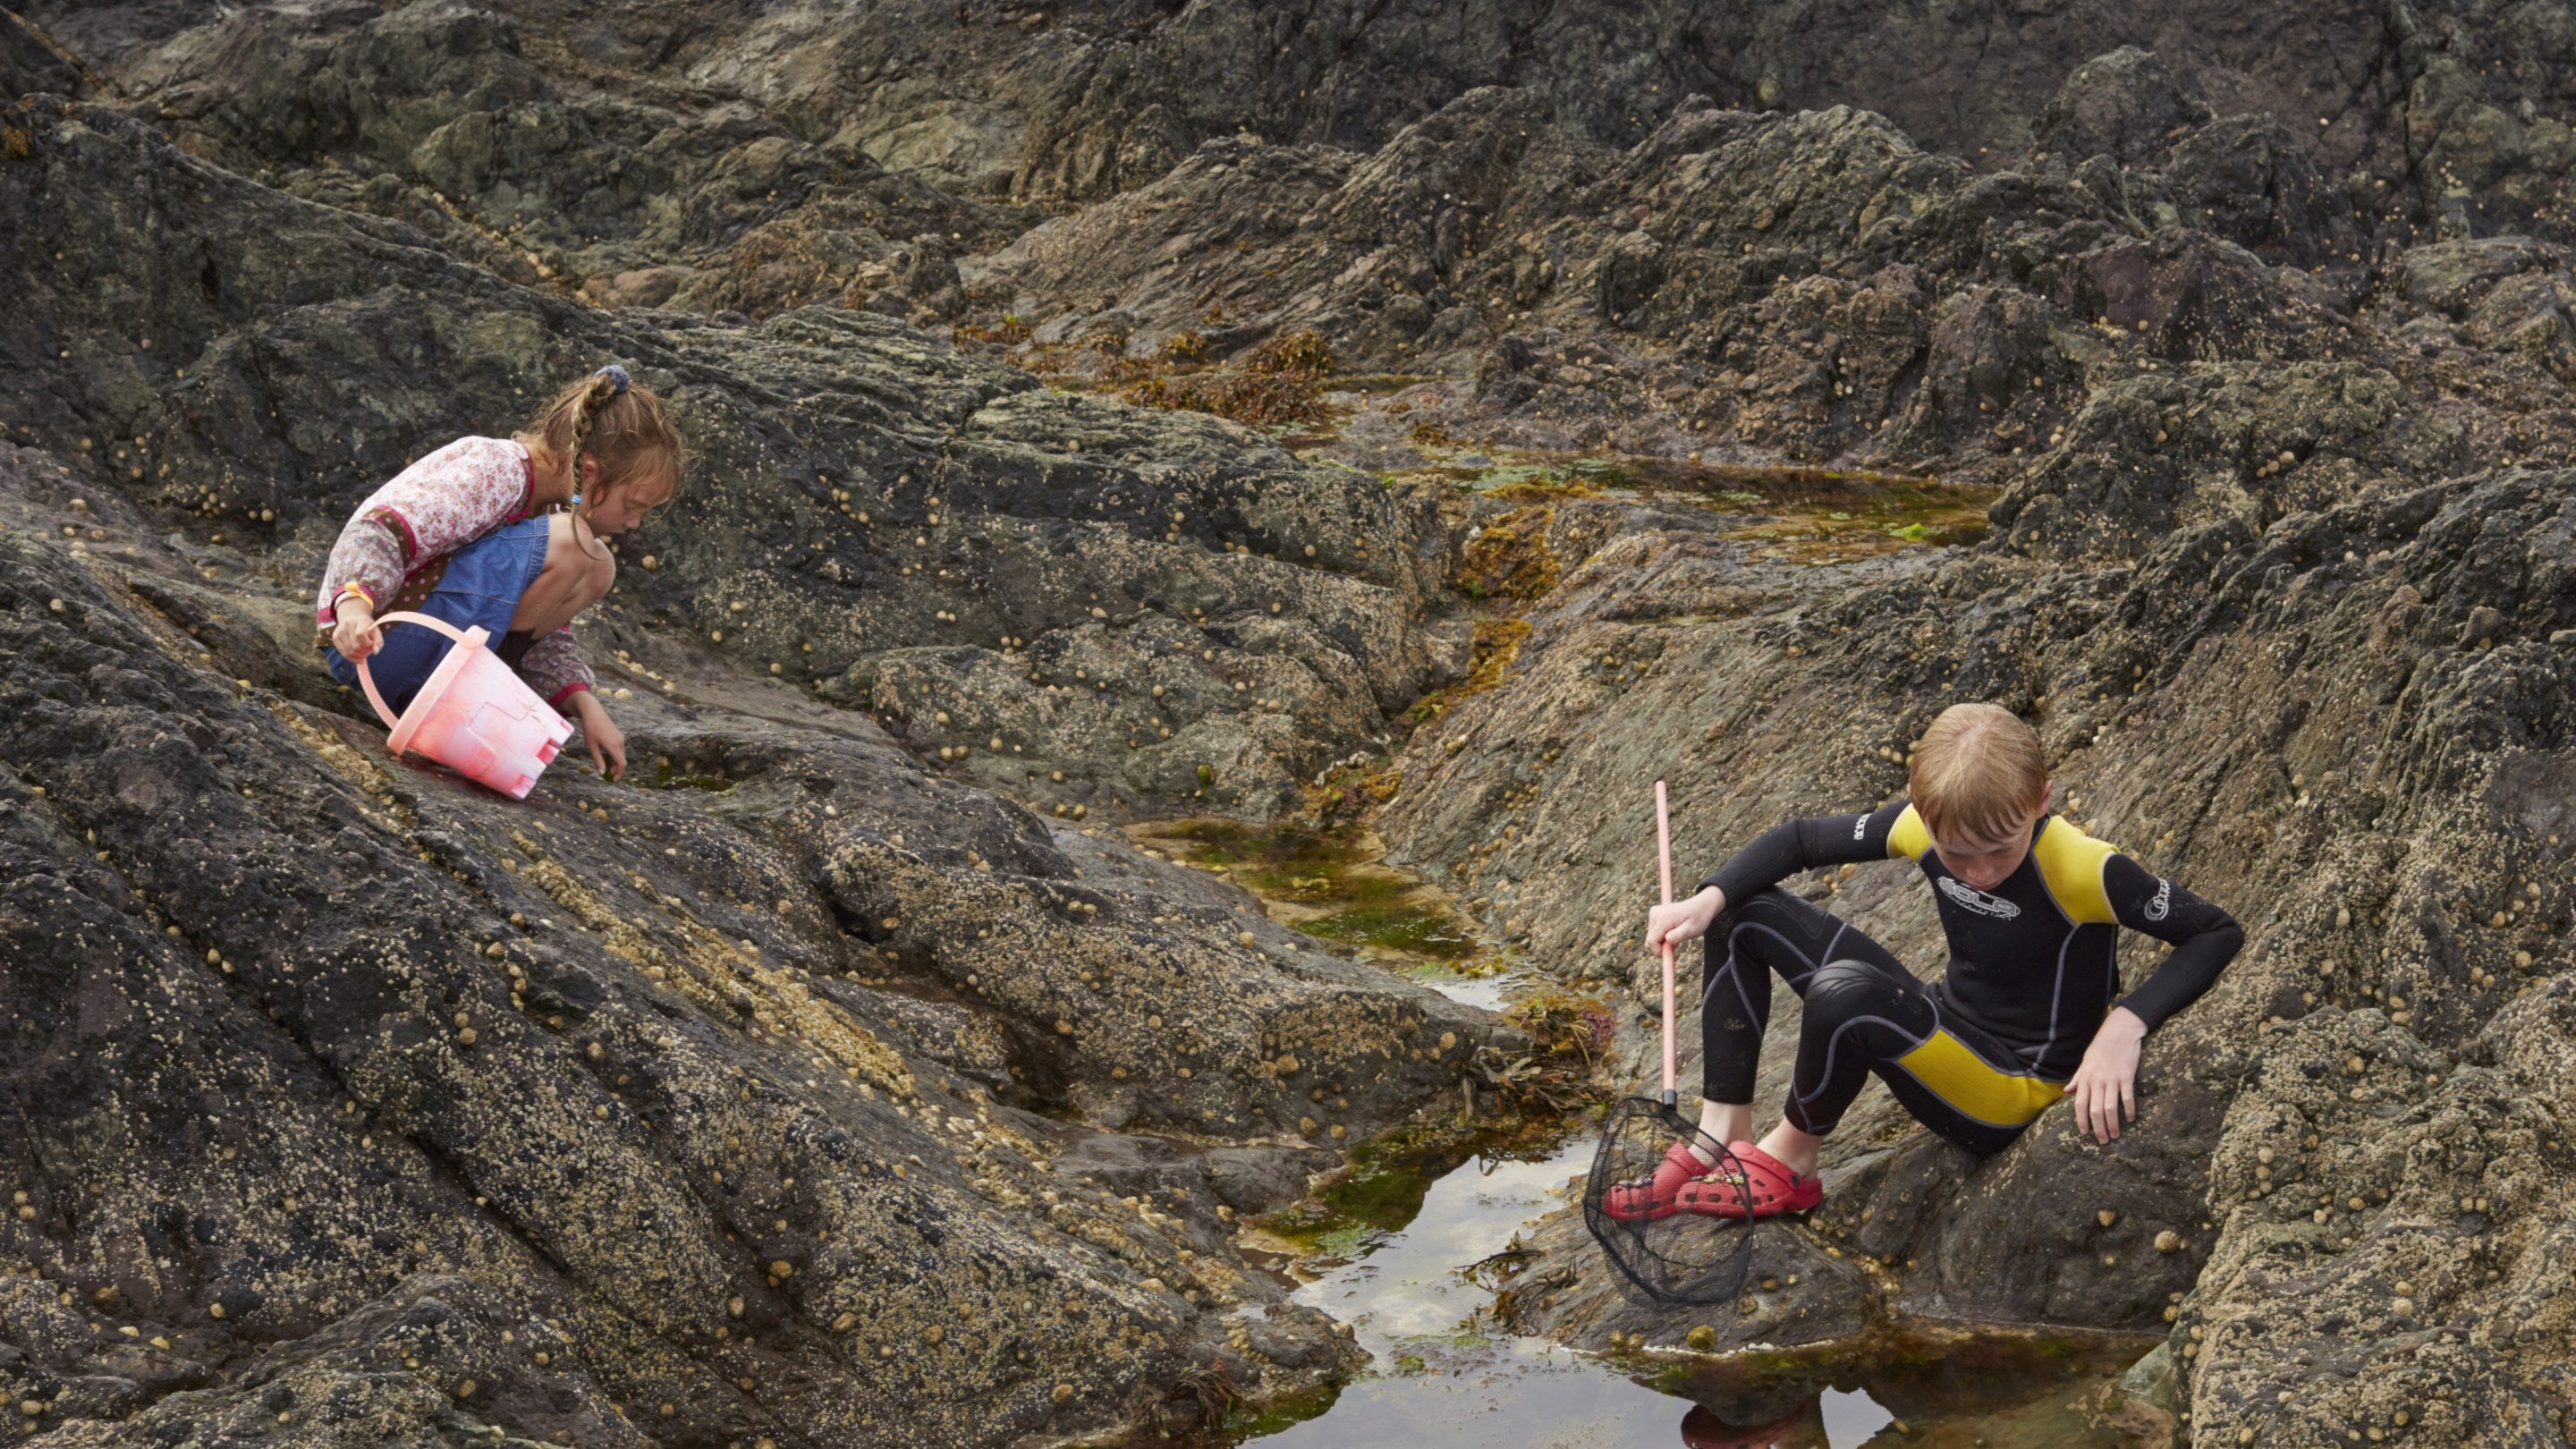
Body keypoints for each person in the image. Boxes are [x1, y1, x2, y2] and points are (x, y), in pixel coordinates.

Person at [1608, 702, 2241, 1220]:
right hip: (1943, 1024)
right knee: (1739, 909)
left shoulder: (2082, 867)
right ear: (1921, 810)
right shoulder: (1919, 825)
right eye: (1956, 854)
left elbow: (2214, 931)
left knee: (1843, 992)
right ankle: (1721, 1132)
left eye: (2000, 849)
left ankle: (1795, 1161)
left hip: (2011, 1085)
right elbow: (1800, 841)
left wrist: (2123, 1026)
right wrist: (1706, 897)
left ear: (2041, 800)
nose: (1980, 872)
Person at [314, 365, 681, 782]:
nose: (633, 522)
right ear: (591, 472)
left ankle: (476, 694)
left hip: (424, 664)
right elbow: (382, 528)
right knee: (577, 544)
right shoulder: (498, 470)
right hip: (372, 646)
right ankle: (479, 690)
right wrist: (354, 608)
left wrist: (582, 702)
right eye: (632, 505)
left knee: (598, 565)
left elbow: (534, 625)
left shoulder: (554, 511)